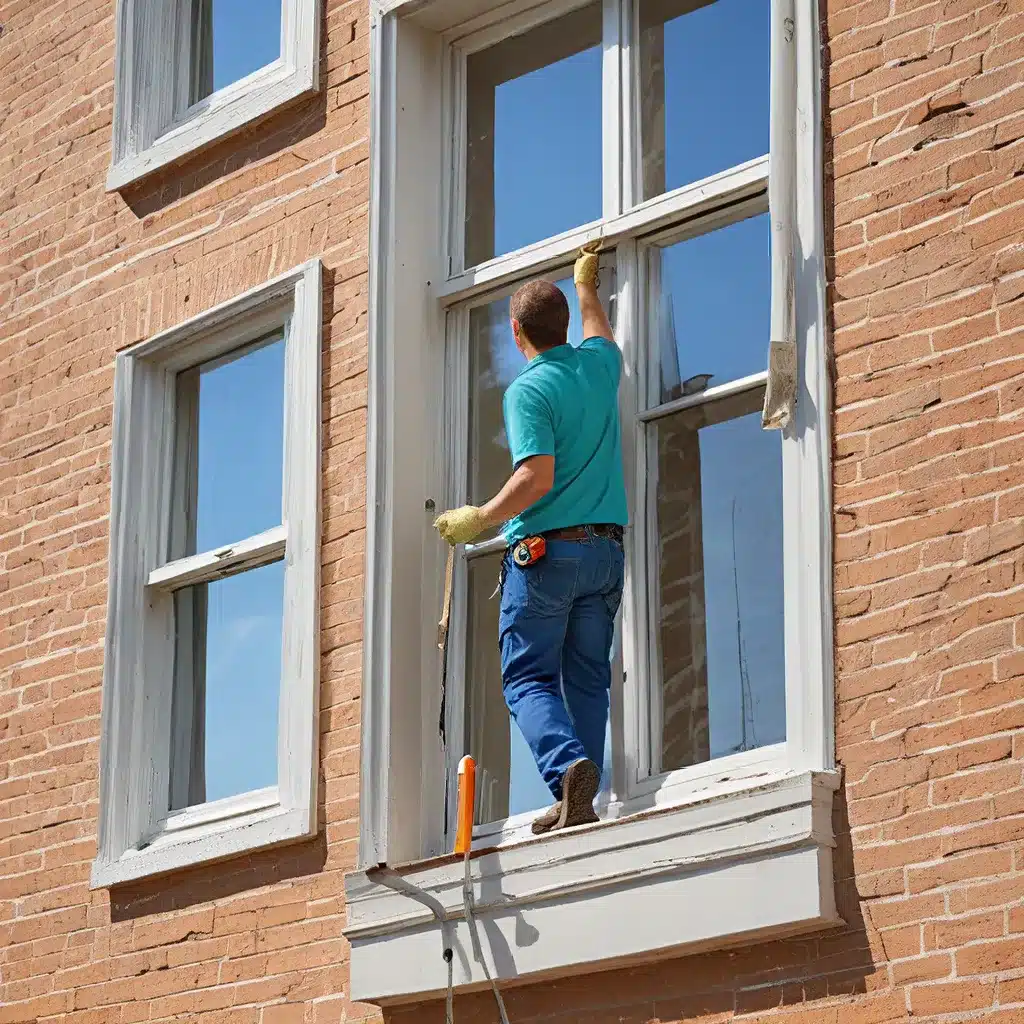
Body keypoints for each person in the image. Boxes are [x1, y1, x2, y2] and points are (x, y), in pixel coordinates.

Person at [434, 244, 627, 834]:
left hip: (546, 557)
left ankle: (569, 769)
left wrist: (480, 518)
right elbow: (600, 333)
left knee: (527, 678)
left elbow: (535, 477)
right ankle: (580, 799)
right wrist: (587, 287)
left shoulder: (528, 389)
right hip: (604, 554)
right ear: (562, 326)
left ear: (516, 331)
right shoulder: (598, 366)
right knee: (588, 675)